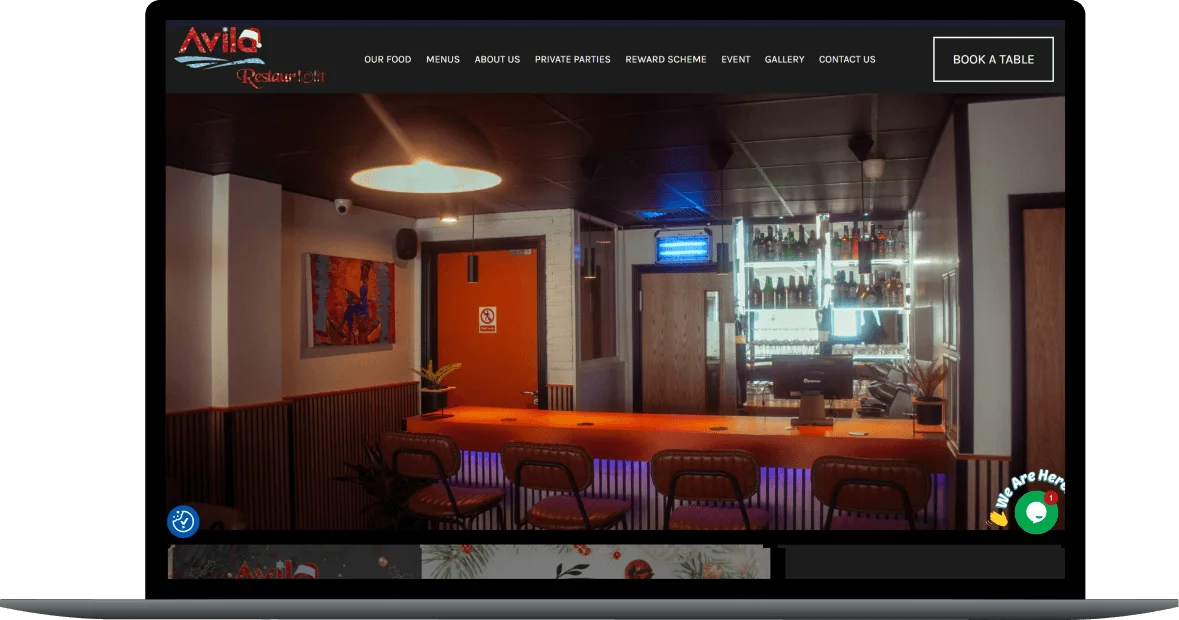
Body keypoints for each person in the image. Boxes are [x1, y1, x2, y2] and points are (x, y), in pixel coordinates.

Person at [342, 262, 372, 344]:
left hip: (362, 310)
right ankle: (349, 332)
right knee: (349, 308)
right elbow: (360, 299)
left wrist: (352, 300)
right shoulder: (363, 282)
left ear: (368, 272)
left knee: (350, 308)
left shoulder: (365, 283)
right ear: (361, 270)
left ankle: (348, 332)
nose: (365, 272)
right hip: (361, 307)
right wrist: (353, 297)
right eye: (364, 270)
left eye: (366, 270)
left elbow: (361, 300)